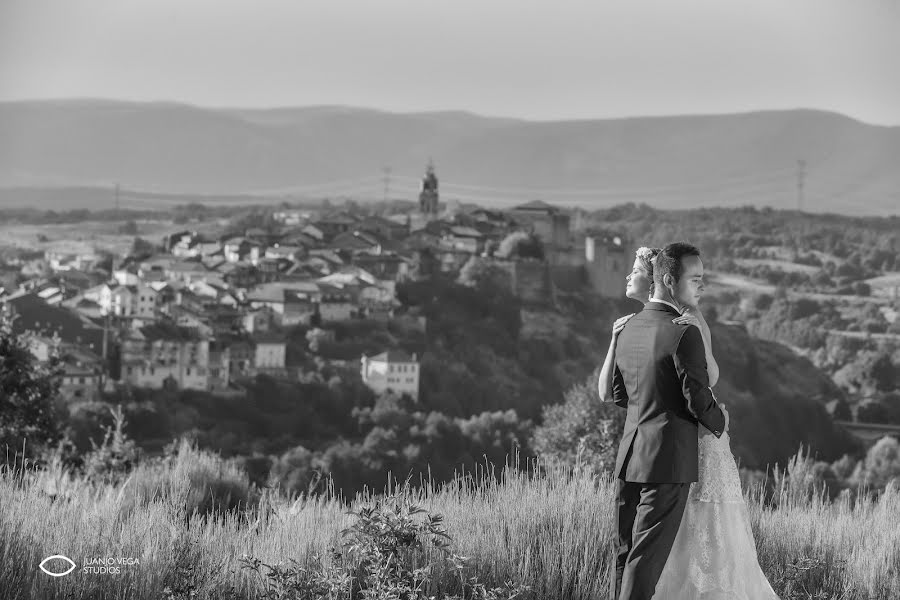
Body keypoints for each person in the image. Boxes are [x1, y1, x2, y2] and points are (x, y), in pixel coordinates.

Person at [601, 242, 779, 600]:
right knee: (645, 559)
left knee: (625, 552)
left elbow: (620, 395)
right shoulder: (684, 331)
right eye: (695, 278)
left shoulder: (628, 327)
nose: (702, 286)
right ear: (668, 279)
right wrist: (720, 423)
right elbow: (697, 398)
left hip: (629, 456)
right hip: (668, 461)